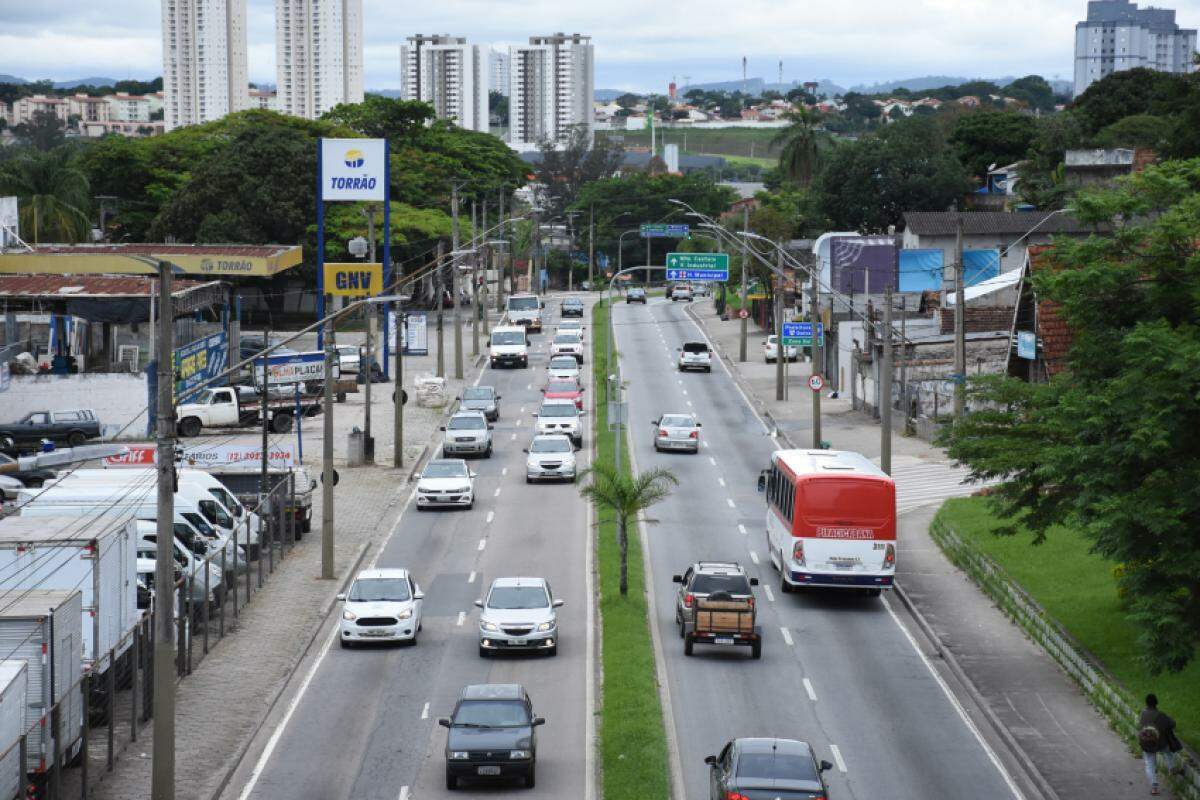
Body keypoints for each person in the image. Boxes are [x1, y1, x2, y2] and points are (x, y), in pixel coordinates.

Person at [1139, 694, 1184, 795]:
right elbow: (1172, 724)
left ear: (1146, 703)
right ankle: (1172, 767)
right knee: (1167, 751)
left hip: (1146, 743)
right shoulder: (1161, 715)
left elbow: (1140, 725)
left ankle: (1154, 788)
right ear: (1156, 703)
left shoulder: (1142, 713)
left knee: (1150, 764)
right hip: (1160, 743)